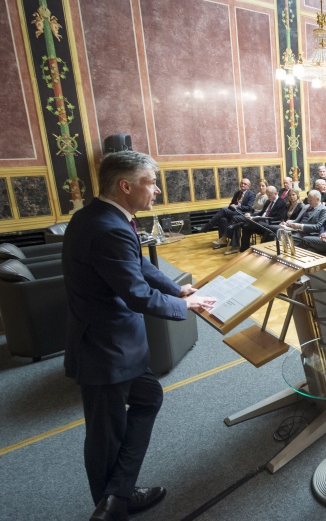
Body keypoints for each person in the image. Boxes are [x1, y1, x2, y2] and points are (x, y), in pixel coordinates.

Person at [63, 151, 216, 520]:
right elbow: (136, 294)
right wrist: (186, 307)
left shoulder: (98, 216)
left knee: (147, 398)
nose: (158, 190)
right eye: (151, 182)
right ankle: (111, 507)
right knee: (105, 436)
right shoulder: (109, 228)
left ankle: (118, 493)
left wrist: (176, 288)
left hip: (114, 344)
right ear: (125, 185)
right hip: (105, 348)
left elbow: (138, 264)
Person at [228, 183, 286, 253]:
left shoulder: (281, 203)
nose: (268, 197)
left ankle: (240, 224)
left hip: (268, 223)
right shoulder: (268, 201)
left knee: (249, 224)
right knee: (246, 228)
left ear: (276, 193)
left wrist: (264, 218)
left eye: (269, 195)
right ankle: (244, 251)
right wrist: (252, 215)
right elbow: (261, 213)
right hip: (260, 222)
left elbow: (278, 218)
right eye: (267, 195)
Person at [202, 178, 255, 249]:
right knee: (222, 219)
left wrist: (238, 206)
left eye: (245, 184)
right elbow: (231, 204)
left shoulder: (251, 194)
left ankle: (207, 226)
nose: (242, 185)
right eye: (241, 183)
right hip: (234, 212)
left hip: (243, 213)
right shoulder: (237, 193)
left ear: (248, 186)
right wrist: (231, 206)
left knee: (223, 210)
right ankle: (223, 241)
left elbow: (249, 208)